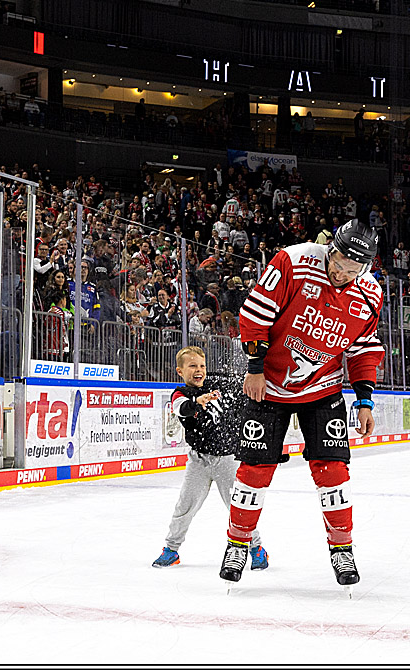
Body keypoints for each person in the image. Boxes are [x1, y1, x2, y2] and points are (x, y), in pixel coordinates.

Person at [219, 219, 384, 588]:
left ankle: (342, 549)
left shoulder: (370, 295)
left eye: (352, 269)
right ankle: (237, 544)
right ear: (331, 248)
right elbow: (254, 313)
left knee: (334, 471)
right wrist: (255, 368)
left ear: (366, 267)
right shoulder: (293, 262)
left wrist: (365, 399)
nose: (341, 272)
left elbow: (363, 349)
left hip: (323, 387)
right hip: (269, 383)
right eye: (337, 261)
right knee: (254, 470)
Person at [152, 346, 268, 569]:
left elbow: (246, 392)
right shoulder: (180, 394)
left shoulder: (219, 385)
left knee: (239, 507)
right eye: (192, 366)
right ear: (180, 371)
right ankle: (171, 550)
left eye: (202, 366)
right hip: (199, 462)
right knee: (184, 506)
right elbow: (182, 409)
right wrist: (197, 403)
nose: (199, 370)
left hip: (228, 460)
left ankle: (256, 548)